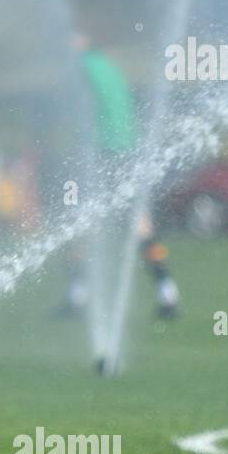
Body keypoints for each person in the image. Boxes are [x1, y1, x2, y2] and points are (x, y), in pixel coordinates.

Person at [60, 34, 180, 320]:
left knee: (82, 223)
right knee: (141, 227)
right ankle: (168, 292)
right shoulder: (109, 66)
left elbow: (75, 107)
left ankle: (78, 296)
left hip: (106, 154)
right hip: (129, 154)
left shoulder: (82, 65)